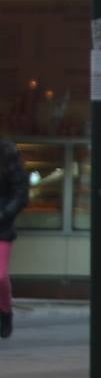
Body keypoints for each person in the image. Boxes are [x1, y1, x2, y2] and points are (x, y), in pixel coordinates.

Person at [0, 136, 29, 339]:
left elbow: (20, 194)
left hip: (2, 226)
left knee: (0, 276)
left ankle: (5, 310)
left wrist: (4, 214)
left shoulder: (8, 158)